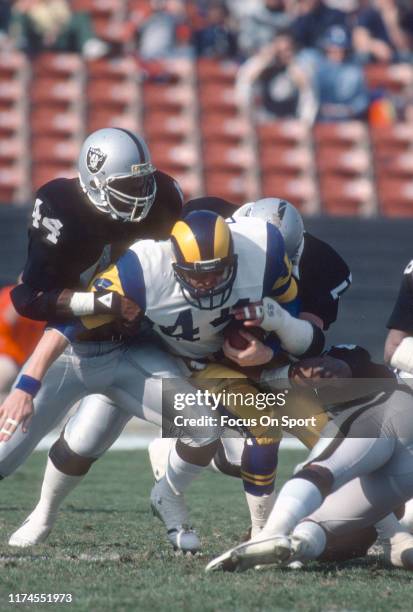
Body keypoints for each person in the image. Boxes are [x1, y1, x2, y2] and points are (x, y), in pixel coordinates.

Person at [4, 210, 320, 549]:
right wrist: (25, 386)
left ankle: (170, 496)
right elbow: (67, 325)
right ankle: (44, 513)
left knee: (205, 428)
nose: (208, 284)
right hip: (87, 356)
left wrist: (268, 347)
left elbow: (290, 306)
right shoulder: (143, 268)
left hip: (148, 360)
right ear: (175, 263)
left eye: (217, 272)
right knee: (40, 448)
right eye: (197, 276)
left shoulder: (263, 251)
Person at [235, 31, 317, 123]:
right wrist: (265, 60)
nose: (282, 54)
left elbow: (307, 89)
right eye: (279, 50)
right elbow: (246, 79)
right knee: (244, 87)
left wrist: (292, 65)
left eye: (287, 49)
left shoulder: (300, 64)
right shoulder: (265, 62)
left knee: (308, 91)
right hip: (265, 114)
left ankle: (305, 125)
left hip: (292, 117)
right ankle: (247, 122)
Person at [0, 283, 43, 401]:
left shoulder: (44, 303)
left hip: (28, 363)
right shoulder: (9, 293)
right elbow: (4, 325)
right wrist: (21, 296)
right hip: (6, 356)